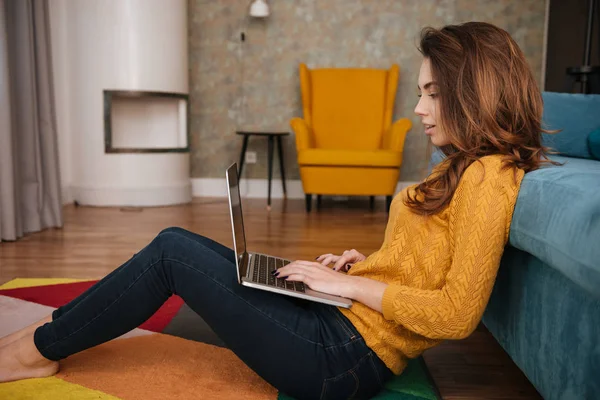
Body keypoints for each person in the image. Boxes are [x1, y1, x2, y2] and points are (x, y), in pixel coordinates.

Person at [0, 22, 554, 400]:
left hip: (343, 360)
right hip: (342, 324)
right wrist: (359, 267)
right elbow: (425, 262)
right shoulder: (457, 166)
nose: (417, 108)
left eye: (432, 92)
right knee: (198, 253)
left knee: (174, 251)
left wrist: (356, 290)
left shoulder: (490, 175)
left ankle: (36, 349)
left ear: (471, 91)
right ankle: (45, 340)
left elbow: (458, 313)